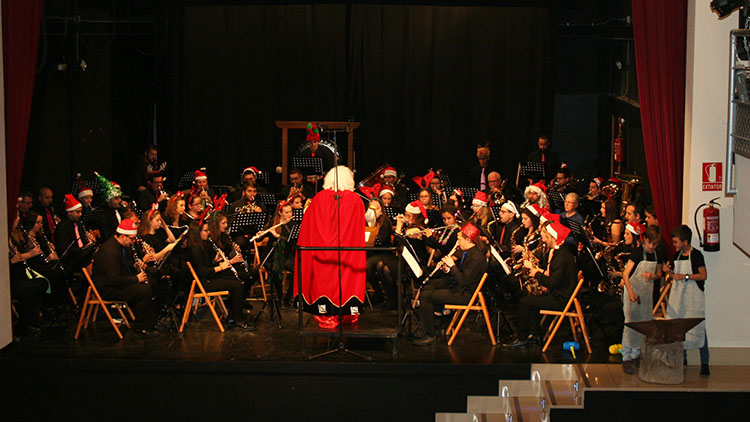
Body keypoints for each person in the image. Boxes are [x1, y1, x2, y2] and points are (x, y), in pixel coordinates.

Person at [295, 166, 366, 328]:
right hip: (348, 253)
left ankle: (326, 315)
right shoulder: (355, 200)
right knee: (346, 281)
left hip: (322, 252)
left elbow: (308, 226)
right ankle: (347, 315)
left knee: (325, 282)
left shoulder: (319, 198)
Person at [413, 222, 488, 345]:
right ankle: (430, 325)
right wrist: (448, 269)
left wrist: (452, 266)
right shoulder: (469, 252)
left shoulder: (476, 258)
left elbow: (463, 281)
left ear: (468, 240)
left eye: (459, 239)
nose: (458, 242)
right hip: (461, 289)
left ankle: (430, 334)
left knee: (426, 296)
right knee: (427, 290)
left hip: (466, 295)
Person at [507, 220, 576, 349]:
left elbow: (552, 282)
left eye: (545, 235)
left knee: (524, 302)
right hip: (558, 294)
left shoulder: (561, 256)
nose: (543, 239)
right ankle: (534, 333)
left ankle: (522, 339)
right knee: (531, 298)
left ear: (553, 238)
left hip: (561, 299)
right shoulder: (559, 252)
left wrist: (535, 273)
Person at [91, 219, 159, 335]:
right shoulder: (110, 251)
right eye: (131, 239)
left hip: (117, 283)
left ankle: (149, 321)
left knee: (152, 282)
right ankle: (141, 325)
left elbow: (123, 266)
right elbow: (115, 279)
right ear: (122, 236)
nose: (133, 242)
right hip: (108, 289)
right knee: (144, 290)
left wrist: (133, 265)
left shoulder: (120, 246)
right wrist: (136, 279)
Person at [187, 220, 254, 330]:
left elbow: (207, 265)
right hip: (203, 283)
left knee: (240, 279)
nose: (208, 233)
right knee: (237, 285)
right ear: (197, 232)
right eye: (205, 230)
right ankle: (238, 319)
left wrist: (215, 260)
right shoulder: (195, 249)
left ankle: (232, 315)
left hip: (210, 277)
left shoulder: (202, 244)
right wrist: (221, 267)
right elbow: (202, 271)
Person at [663, 225, 710, 377]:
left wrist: (686, 276)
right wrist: (669, 272)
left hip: (693, 299)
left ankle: (705, 363)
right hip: (679, 298)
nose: (674, 245)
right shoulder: (676, 256)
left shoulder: (696, 255)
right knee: (678, 328)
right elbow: (675, 276)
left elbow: (703, 275)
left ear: (685, 241)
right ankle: (682, 359)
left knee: (698, 329)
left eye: (676, 242)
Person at [620, 224, 663, 374]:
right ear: (644, 240)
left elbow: (659, 274)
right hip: (633, 292)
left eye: (655, 244)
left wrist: (653, 276)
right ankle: (626, 357)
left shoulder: (658, 255)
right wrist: (631, 292)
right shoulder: (637, 253)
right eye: (650, 243)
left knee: (643, 324)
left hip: (646, 295)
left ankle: (636, 355)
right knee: (630, 324)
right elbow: (626, 274)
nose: (651, 246)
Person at [54, 194, 96, 273]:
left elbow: (83, 240)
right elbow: (65, 250)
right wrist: (82, 250)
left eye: (81, 211)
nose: (80, 214)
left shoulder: (78, 222)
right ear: (69, 212)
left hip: (81, 255)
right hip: (72, 260)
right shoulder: (62, 227)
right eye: (77, 212)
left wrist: (88, 242)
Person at [96, 173, 125, 241]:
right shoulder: (104, 216)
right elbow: (107, 236)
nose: (120, 200)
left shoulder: (121, 210)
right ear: (108, 201)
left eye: (120, 197)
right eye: (116, 199)